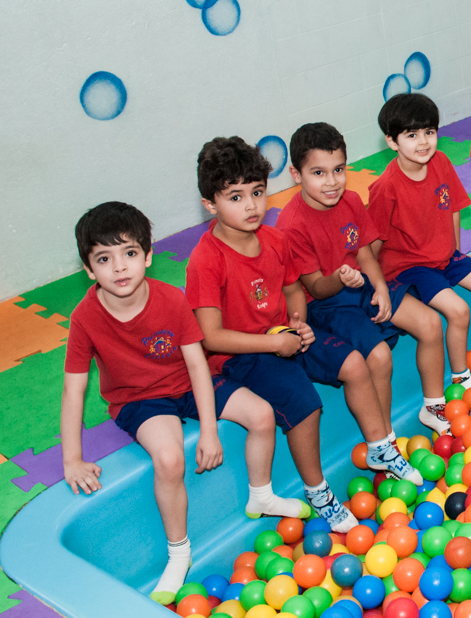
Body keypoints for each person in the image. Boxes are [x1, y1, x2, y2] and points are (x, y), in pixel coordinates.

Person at [62, 202, 306, 605]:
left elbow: (197, 364)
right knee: (170, 459)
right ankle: (180, 552)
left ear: (148, 255)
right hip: (139, 399)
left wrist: (210, 431)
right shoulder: (85, 316)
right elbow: (74, 389)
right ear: (89, 270)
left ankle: (261, 495)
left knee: (261, 415)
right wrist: (72, 457)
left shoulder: (171, 300)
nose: (119, 268)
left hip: (189, 383)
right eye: (104, 259)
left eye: (129, 254)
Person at [186, 136, 362, 533]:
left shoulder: (274, 239)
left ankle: (382, 445)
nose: (251, 206)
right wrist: (273, 342)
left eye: (257, 193)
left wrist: (298, 322)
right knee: (304, 401)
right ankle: (318, 491)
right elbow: (210, 336)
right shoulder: (206, 259)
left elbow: (291, 290)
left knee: (352, 361)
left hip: (282, 336)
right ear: (210, 204)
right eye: (235, 197)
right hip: (239, 356)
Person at [277, 122, 448, 438]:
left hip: (360, 284)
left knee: (430, 323)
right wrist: (344, 278)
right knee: (380, 356)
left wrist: (381, 287)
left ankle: (433, 405)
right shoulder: (291, 225)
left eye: (338, 169)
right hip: (328, 303)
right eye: (319, 173)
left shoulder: (351, 200)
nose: (332, 182)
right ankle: (384, 439)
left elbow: (366, 252)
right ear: (296, 174)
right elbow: (315, 286)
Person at [371, 93, 471, 412]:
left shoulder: (442, 162)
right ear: (392, 142)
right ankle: (460, 376)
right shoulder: (386, 188)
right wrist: (378, 286)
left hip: (445, 257)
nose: (423, 142)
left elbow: (451, 209)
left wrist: (458, 253)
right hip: (410, 267)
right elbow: (372, 245)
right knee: (459, 310)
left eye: (429, 132)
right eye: (411, 135)